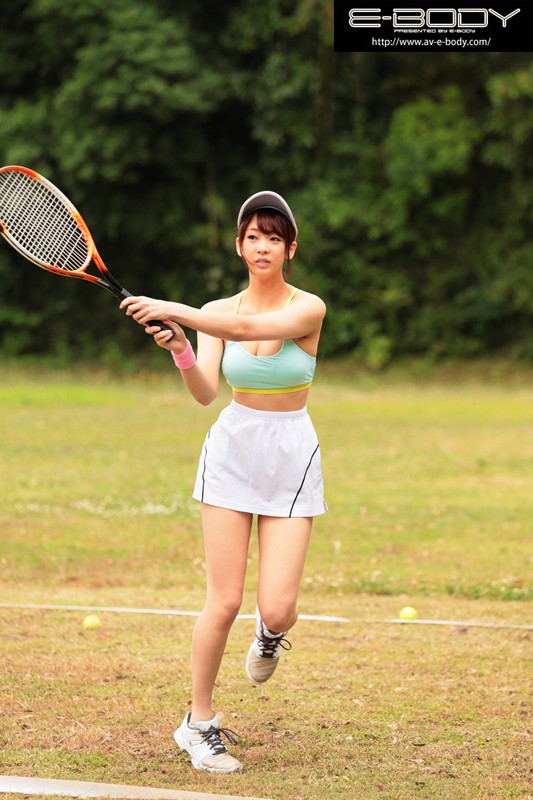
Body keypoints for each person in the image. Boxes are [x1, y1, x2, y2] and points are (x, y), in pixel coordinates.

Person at [120, 191, 327, 774]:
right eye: (252, 236)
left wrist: (174, 308)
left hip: (291, 454)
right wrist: (183, 349)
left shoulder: (309, 308)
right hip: (232, 451)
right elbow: (205, 392)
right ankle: (198, 724)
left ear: (290, 248)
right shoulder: (215, 311)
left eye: (273, 237)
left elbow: (243, 326)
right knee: (225, 599)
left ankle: (270, 633)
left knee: (278, 606)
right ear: (239, 245)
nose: (262, 247)